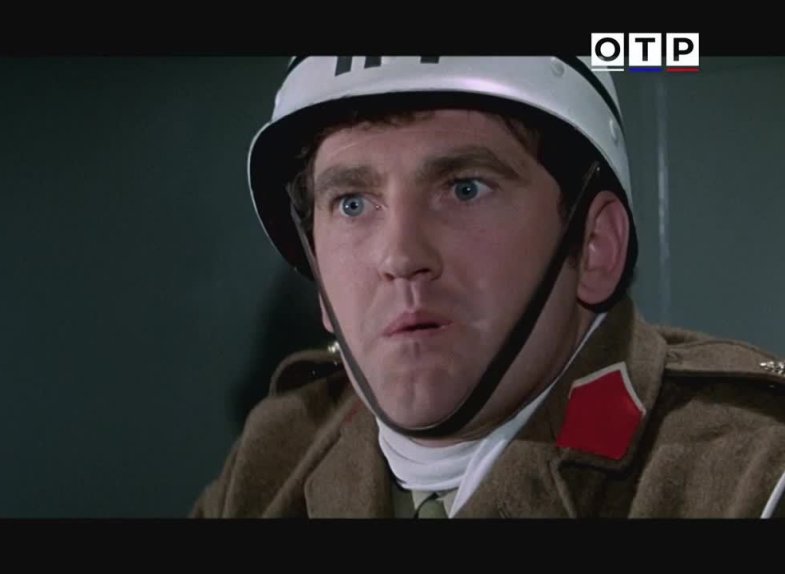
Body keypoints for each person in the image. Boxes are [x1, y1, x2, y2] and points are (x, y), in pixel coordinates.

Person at [191, 56, 785, 518]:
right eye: (352, 203)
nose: (400, 257)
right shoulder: (273, 458)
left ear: (595, 245)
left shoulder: (751, 480)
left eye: (465, 188)